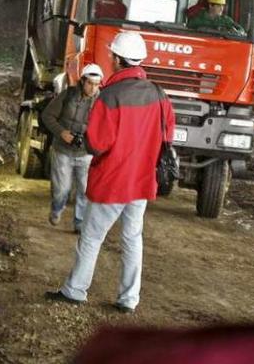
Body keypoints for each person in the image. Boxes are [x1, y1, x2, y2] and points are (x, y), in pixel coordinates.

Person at [46, 30, 175, 314]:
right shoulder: (158, 93)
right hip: (142, 181)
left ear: (117, 59)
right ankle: (129, 298)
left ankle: (75, 291)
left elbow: (97, 143)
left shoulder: (111, 96)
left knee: (91, 237)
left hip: (113, 181)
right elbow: (168, 135)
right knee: (132, 239)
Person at [41, 63, 104, 233]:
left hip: (86, 154)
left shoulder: (102, 103)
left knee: (84, 190)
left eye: (96, 84)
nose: (93, 88)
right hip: (62, 151)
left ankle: (79, 223)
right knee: (62, 190)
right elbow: (47, 115)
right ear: (82, 81)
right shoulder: (67, 95)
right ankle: (56, 209)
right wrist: (61, 133)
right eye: (90, 83)